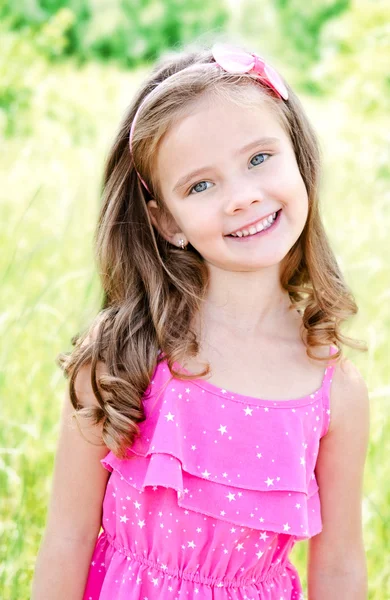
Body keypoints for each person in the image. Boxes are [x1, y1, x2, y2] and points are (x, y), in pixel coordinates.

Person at [31, 41, 370, 600]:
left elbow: (338, 568)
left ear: (298, 156)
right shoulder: (125, 357)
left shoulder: (333, 391)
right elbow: (66, 539)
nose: (241, 198)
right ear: (167, 221)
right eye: (201, 185)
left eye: (260, 158)